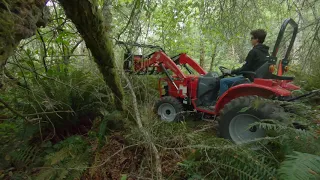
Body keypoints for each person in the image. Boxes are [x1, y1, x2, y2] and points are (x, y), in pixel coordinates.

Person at [218, 29, 270, 97]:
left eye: (252, 38)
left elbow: (244, 68)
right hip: (257, 77)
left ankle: (221, 104)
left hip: (249, 78)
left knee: (223, 81)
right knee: (234, 77)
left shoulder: (254, 52)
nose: (251, 40)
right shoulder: (266, 52)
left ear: (256, 39)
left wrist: (231, 71)